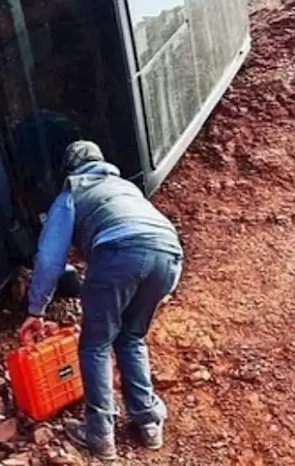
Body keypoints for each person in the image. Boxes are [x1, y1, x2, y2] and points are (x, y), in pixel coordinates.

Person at [20, 140, 184, 460]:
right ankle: (148, 421)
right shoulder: (124, 187)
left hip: (119, 253)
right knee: (131, 337)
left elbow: (50, 258)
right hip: (169, 255)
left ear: (68, 170)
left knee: (95, 344)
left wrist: (36, 309)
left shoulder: (73, 192)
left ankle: (99, 433)